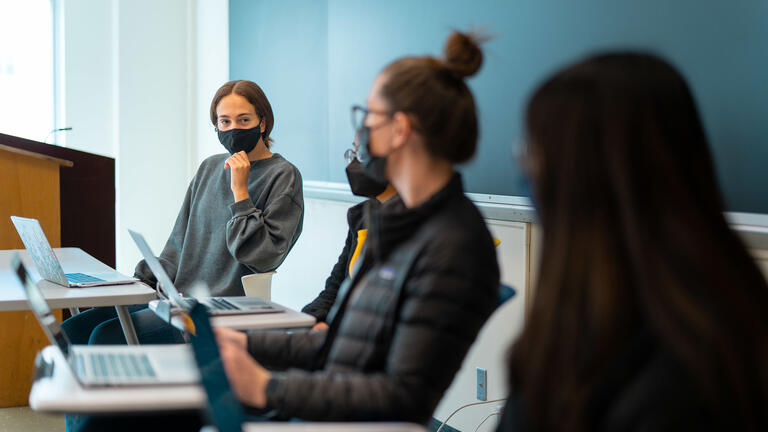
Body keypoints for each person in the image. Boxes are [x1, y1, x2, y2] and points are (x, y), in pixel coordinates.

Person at [214, 31, 500, 423]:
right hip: (322, 404)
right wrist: (240, 344)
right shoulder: (388, 222)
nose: (361, 132)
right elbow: (337, 347)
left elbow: (401, 396)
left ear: (399, 130)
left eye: (368, 116)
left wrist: (267, 387)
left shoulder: (454, 244)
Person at [497, 53, 768, 431]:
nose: (525, 169)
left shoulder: (682, 376)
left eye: (534, 153)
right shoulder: (599, 310)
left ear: (587, 178)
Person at [61, 79, 304, 346]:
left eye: (243, 120)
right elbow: (178, 244)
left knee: (104, 338)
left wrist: (240, 192)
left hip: (220, 308)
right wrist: (139, 284)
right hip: (175, 298)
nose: (233, 129)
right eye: (224, 122)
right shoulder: (210, 168)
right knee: (72, 329)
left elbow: (262, 257)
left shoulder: (283, 176)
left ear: (262, 122)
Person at [300, 158, 396, 328]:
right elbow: (334, 290)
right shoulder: (361, 216)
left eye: (362, 153)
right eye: (353, 151)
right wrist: (312, 320)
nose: (354, 162)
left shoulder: (426, 226)